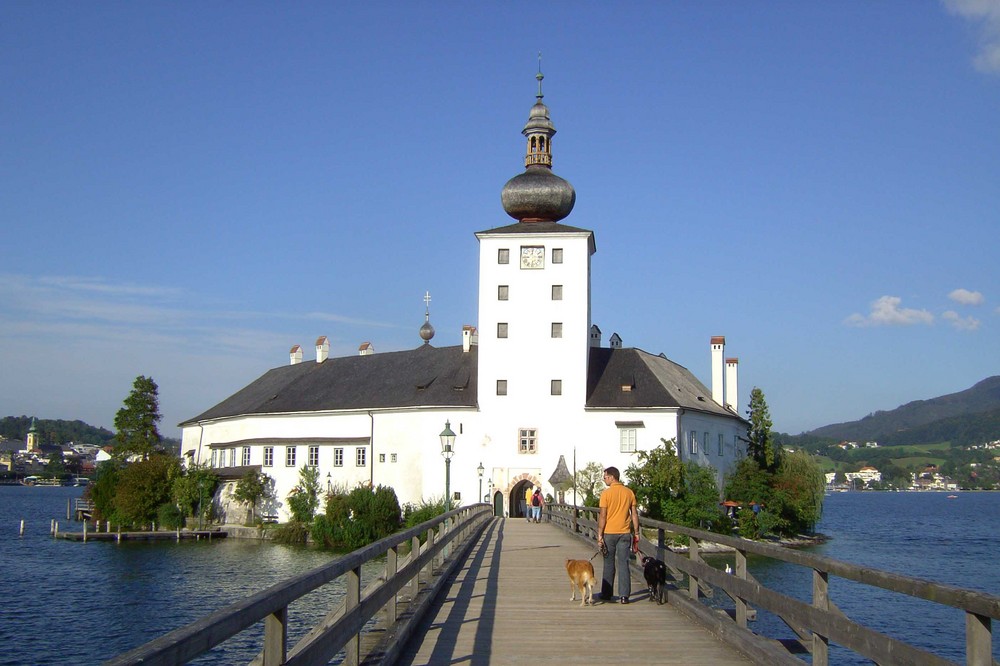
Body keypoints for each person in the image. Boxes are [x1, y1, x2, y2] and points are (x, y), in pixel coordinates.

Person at [596, 466, 640, 604]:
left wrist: (600, 534)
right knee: (624, 563)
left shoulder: (606, 494)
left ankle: (607, 593)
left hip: (609, 532)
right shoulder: (629, 493)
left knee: (608, 563)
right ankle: (624, 596)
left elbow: (603, 516)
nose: (604, 480)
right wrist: (637, 532)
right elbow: (634, 514)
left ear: (611, 477)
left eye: (605, 477)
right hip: (625, 533)